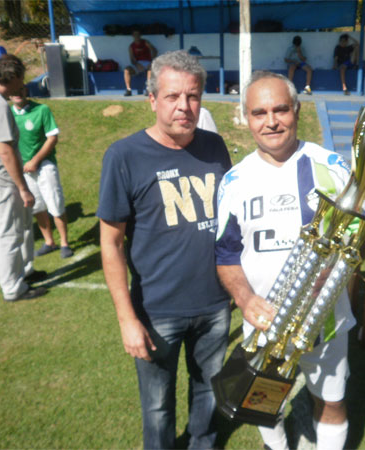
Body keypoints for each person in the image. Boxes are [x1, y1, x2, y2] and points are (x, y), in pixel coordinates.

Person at [98, 50, 232, 449]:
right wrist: (126, 319)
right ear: (152, 99)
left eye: (192, 96)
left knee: (209, 391)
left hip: (215, 305)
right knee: (157, 406)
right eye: (172, 96)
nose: (184, 106)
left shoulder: (215, 146)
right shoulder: (124, 156)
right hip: (158, 310)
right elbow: (111, 242)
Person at [215, 71, 356, 450]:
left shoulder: (333, 168)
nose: (271, 121)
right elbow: (226, 254)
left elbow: (357, 240)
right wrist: (245, 299)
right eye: (259, 113)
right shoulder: (234, 181)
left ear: (297, 110)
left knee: (331, 400)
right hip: (263, 321)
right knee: (263, 400)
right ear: (246, 117)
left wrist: (337, 278)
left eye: (280, 110)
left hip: (325, 320)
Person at [0, 54, 47, 302]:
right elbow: (5, 151)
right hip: (2, 179)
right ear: (12, 77)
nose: (22, 84)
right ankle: (12, 288)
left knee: (23, 227)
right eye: (21, 79)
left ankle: (25, 271)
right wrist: (22, 187)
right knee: (9, 235)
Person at [10, 86, 73, 259]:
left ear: (25, 91)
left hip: (44, 165)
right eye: (13, 91)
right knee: (37, 206)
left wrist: (35, 161)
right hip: (23, 169)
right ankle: (49, 242)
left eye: (20, 90)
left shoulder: (42, 110)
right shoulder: (7, 114)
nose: (17, 94)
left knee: (55, 203)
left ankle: (64, 243)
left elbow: (52, 138)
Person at [123, 29, 157, 97]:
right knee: (127, 70)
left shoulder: (145, 42)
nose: (137, 36)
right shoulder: (131, 46)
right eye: (135, 35)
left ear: (140, 35)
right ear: (133, 36)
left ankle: (148, 89)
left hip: (148, 62)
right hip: (138, 64)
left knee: (150, 68)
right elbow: (132, 59)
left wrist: (152, 61)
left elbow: (155, 51)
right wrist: (137, 64)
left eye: (138, 34)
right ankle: (128, 90)